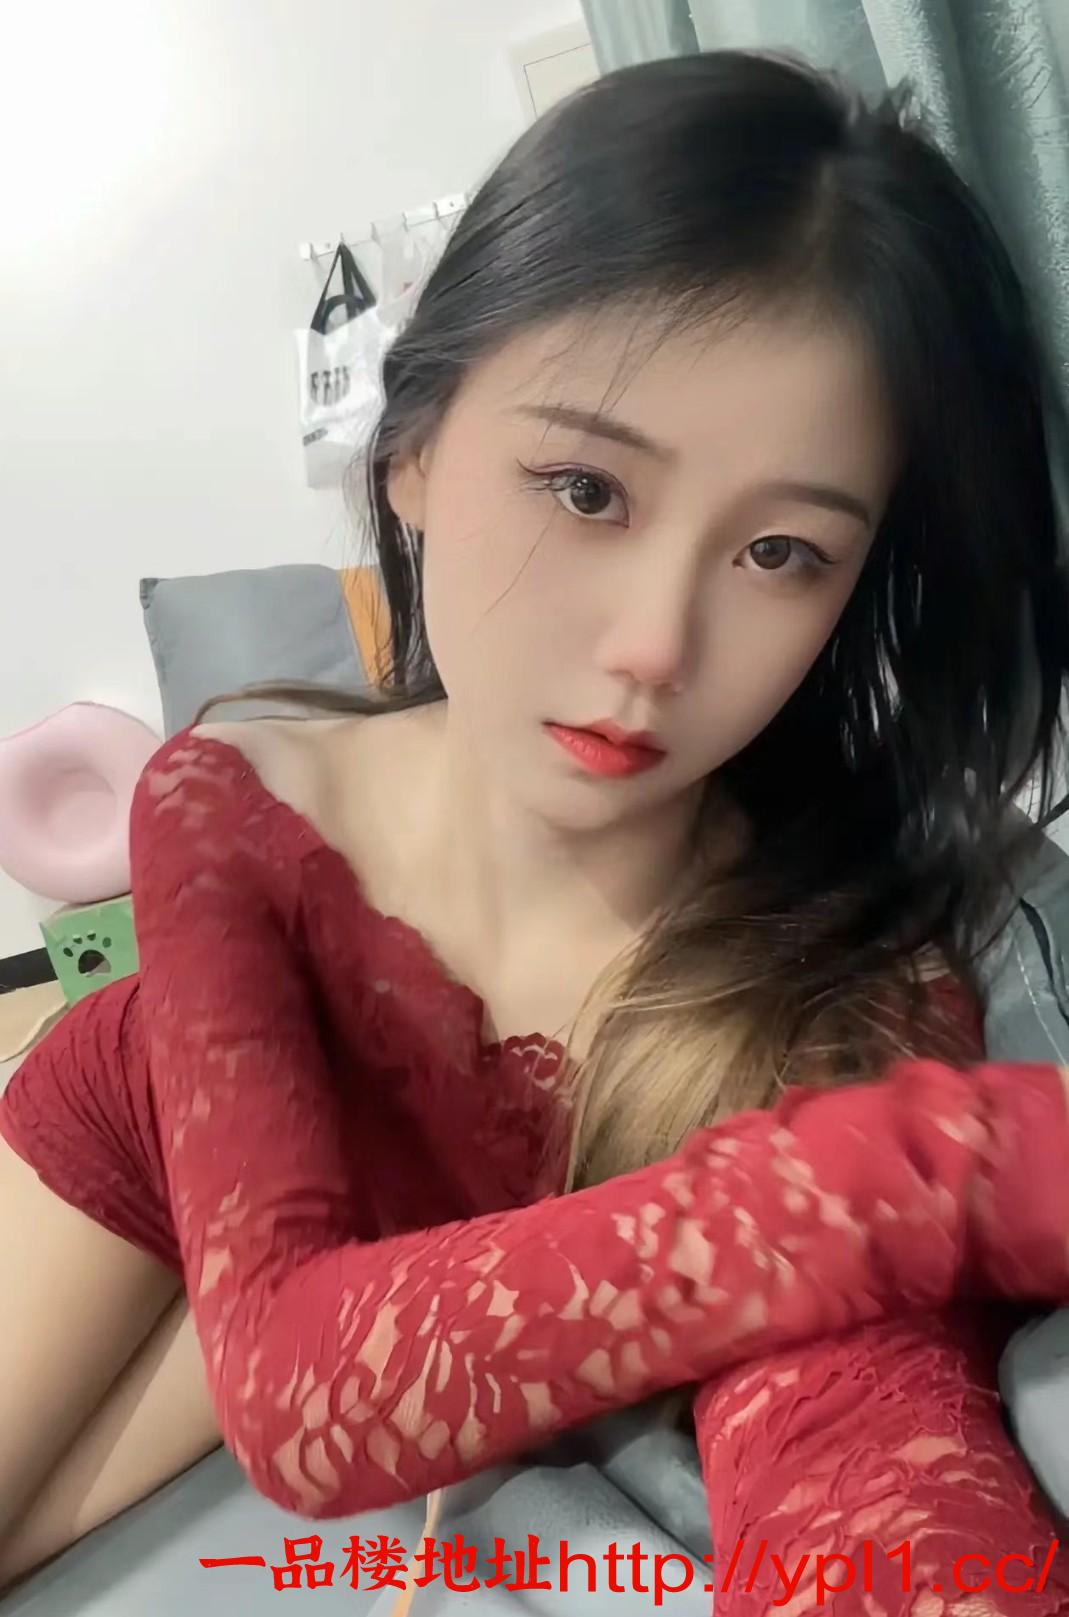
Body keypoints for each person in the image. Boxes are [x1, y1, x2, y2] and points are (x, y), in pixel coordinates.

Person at [2, 48, 1069, 1611]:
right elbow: (297, 1396)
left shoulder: (835, 999)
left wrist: (888, 1176)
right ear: (414, 449)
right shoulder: (234, 795)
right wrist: (930, 1178)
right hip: (149, 1137)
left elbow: (867, 1459)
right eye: (584, 489)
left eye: (779, 551)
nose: (652, 645)